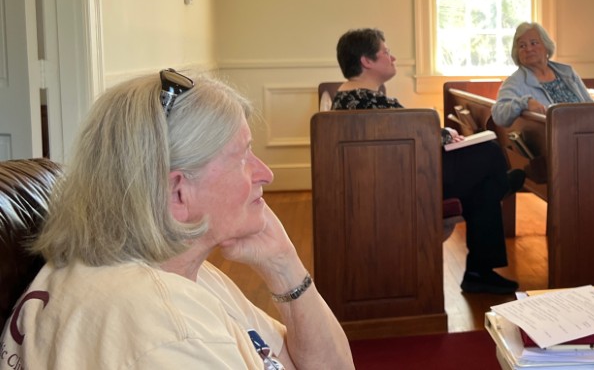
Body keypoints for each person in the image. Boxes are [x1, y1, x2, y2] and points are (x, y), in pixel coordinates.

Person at [1, 70, 354, 369]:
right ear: (177, 193)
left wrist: (283, 264)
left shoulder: (174, 269)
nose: (266, 173)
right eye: (243, 157)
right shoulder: (168, 330)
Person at [332, 28, 521, 295]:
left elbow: (404, 132)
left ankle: (480, 271)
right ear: (367, 61)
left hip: (396, 174)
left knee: (483, 187)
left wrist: (442, 134)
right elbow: (412, 133)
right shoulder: (363, 101)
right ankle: (501, 189)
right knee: (489, 154)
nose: (392, 57)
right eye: (386, 52)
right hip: (403, 184)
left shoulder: (354, 97)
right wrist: (443, 134)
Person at [492, 22, 593, 127]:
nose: (528, 49)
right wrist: (525, 103)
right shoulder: (515, 82)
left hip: (585, 130)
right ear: (517, 52)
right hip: (553, 135)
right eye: (522, 46)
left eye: (534, 43)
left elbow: (590, 104)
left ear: (546, 46)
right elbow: (498, 115)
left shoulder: (567, 72)